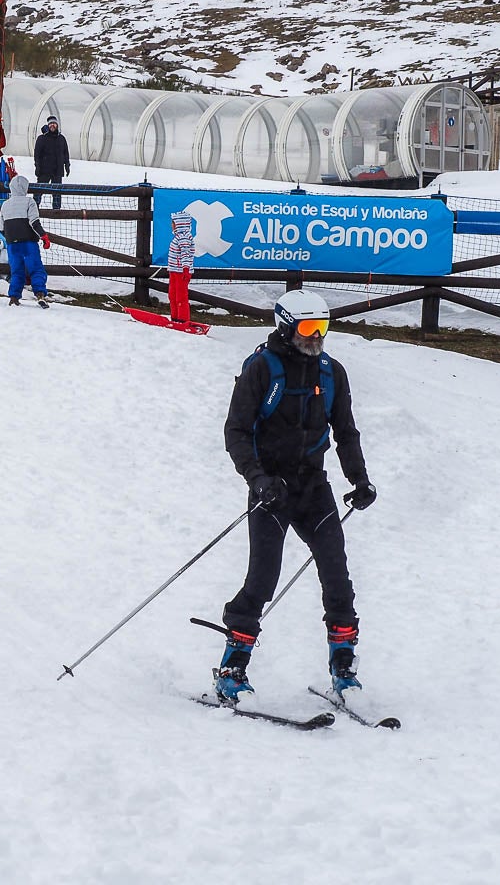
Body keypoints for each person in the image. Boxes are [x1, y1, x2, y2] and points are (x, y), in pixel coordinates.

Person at [215, 289, 377, 703]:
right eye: (308, 328)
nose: (317, 336)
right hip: (272, 490)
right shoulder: (261, 369)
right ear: (286, 328)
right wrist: (257, 479)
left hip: (313, 486)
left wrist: (360, 480)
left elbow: (346, 431)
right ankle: (233, 669)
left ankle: (343, 667)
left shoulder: (331, 372)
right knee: (263, 578)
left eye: (323, 327)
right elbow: (236, 431)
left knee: (336, 574)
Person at [0, 174, 52, 308]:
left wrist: (10, 237)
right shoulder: (29, 202)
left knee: (16, 271)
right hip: (29, 243)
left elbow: (1, 227)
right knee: (36, 269)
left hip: (12, 244)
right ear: (25, 188)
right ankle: (40, 293)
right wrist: (43, 236)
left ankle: (14, 297)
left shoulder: (5, 205)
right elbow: (34, 222)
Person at [32, 115, 71, 210]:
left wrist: (67, 165)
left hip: (57, 170)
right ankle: (34, 208)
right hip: (44, 170)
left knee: (57, 191)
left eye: (54, 123)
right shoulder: (42, 138)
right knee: (39, 190)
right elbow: (37, 154)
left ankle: (56, 210)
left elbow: (65, 153)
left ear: (57, 125)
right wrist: (37, 167)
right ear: (48, 125)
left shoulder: (61, 138)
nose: (52, 125)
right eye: (50, 124)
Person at [167, 211, 195, 324]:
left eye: (173, 223)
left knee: (180, 297)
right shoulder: (178, 237)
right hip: (174, 270)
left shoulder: (184, 238)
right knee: (172, 295)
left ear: (180, 224)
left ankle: (183, 320)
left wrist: (186, 269)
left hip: (181, 272)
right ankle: (174, 318)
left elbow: (186, 254)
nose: (171, 225)